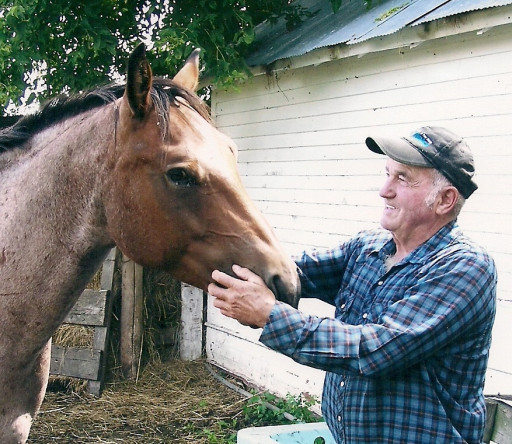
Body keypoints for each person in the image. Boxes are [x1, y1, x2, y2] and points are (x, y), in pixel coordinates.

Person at [208, 126, 497, 444]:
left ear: (445, 200)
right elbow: (290, 272)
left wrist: (267, 313)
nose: (384, 190)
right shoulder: (368, 248)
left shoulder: (464, 269)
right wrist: (209, 253)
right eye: (388, 174)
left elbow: (374, 349)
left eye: (402, 179)